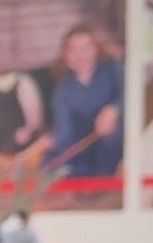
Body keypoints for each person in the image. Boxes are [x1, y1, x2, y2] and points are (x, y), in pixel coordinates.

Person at [42, 25, 123, 177]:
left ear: (96, 49)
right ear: (65, 55)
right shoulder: (63, 91)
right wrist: (52, 141)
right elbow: (66, 133)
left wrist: (114, 110)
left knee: (112, 135)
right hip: (86, 149)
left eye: (85, 48)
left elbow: (131, 94)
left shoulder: (113, 69)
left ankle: (105, 182)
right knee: (47, 165)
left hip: (120, 144)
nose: (80, 55)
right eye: (73, 50)